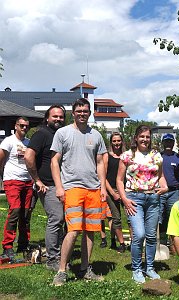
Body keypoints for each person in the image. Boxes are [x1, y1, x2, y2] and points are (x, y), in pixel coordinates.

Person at [51, 98, 107, 286]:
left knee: (90, 232)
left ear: (89, 113)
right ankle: (61, 271)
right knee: (74, 230)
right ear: (73, 113)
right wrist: (59, 186)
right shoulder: (62, 133)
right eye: (79, 111)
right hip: (72, 188)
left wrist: (103, 188)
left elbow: (100, 163)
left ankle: (85, 268)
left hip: (93, 189)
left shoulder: (96, 135)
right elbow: (54, 161)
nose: (82, 113)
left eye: (85, 111)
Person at [116, 125, 168, 284]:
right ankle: (137, 269)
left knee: (152, 236)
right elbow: (119, 180)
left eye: (147, 137)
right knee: (139, 234)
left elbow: (161, 177)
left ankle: (150, 268)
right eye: (142, 136)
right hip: (134, 199)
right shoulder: (127, 155)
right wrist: (124, 199)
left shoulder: (156, 156)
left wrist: (165, 187)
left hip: (152, 199)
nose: (145, 139)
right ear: (136, 138)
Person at [24, 105, 66, 271]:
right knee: (56, 219)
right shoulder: (42, 134)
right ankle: (52, 259)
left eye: (61, 117)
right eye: (54, 116)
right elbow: (28, 156)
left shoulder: (60, 135)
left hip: (63, 185)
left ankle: (61, 255)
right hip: (48, 185)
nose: (58, 119)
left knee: (61, 220)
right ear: (47, 118)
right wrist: (37, 180)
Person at [0, 117, 33, 258]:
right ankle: (7, 246)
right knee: (15, 211)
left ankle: (23, 244)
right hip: (12, 180)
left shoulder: (29, 143)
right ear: (16, 126)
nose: (24, 128)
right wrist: (3, 176)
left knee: (25, 214)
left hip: (27, 181)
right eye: (21, 125)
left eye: (26, 126)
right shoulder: (8, 141)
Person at [159, 133, 179, 253]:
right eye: (166, 142)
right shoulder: (158, 157)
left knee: (173, 219)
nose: (168, 144)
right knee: (159, 218)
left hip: (174, 192)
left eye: (170, 142)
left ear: (173, 143)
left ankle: (173, 245)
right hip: (159, 192)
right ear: (163, 143)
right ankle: (160, 243)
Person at [103, 132, 126, 252]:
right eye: (114, 141)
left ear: (122, 141)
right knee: (116, 217)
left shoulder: (126, 156)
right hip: (112, 190)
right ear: (111, 142)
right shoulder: (107, 156)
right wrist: (112, 193)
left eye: (118, 140)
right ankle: (121, 243)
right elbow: (103, 176)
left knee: (130, 218)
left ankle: (133, 243)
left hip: (125, 189)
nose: (116, 143)